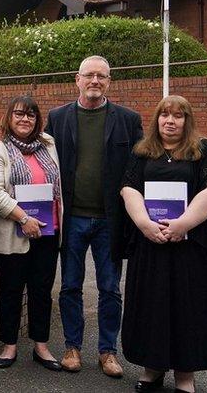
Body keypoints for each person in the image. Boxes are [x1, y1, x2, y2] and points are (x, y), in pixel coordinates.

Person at [120, 96, 207, 393]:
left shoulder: (204, 150)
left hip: (191, 249)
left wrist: (184, 224)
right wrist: (145, 224)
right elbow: (129, 189)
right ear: (156, 119)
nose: (170, 121)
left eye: (178, 116)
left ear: (187, 120)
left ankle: (185, 376)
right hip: (151, 246)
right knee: (151, 307)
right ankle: (152, 369)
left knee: (188, 310)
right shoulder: (142, 152)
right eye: (165, 115)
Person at [44, 55, 143, 377]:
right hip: (71, 218)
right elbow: (40, 160)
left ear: (109, 81)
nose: (95, 81)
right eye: (90, 76)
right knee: (70, 286)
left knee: (110, 288)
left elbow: (140, 168)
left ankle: (107, 351)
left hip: (109, 220)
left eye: (102, 76)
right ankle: (72, 347)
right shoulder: (57, 118)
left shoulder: (128, 119)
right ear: (77, 79)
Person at [0, 95, 64, 371]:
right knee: (11, 290)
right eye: (19, 114)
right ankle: (9, 345)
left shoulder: (48, 144)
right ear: (9, 116)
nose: (25, 119)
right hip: (13, 230)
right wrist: (24, 218)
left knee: (42, 290)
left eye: (30, 115)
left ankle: (41, 345)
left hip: (48, 231)